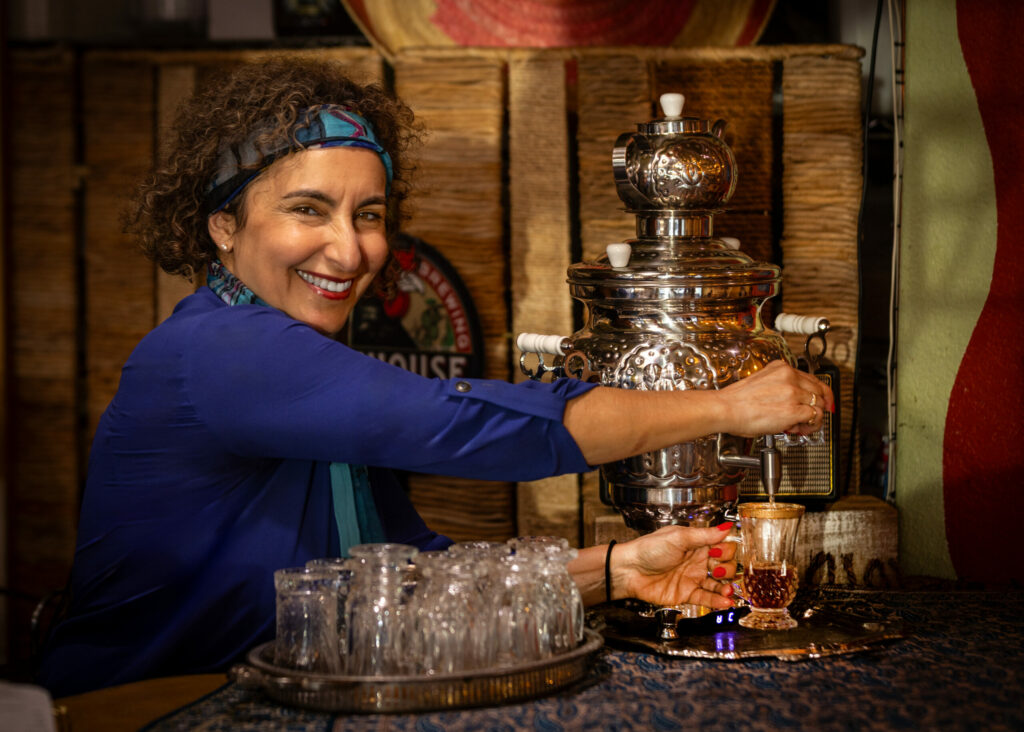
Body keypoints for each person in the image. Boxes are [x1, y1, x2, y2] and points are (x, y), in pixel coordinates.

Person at [37, 57, 832, 697]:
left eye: (369, 215)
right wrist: (727, 405)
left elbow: (414, 579)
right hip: (146, 713)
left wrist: (620, 569)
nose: (350, 250)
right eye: (308, 210)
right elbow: (471, 426)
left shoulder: (299, 372)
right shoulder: (220, 350)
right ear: (223, 226)